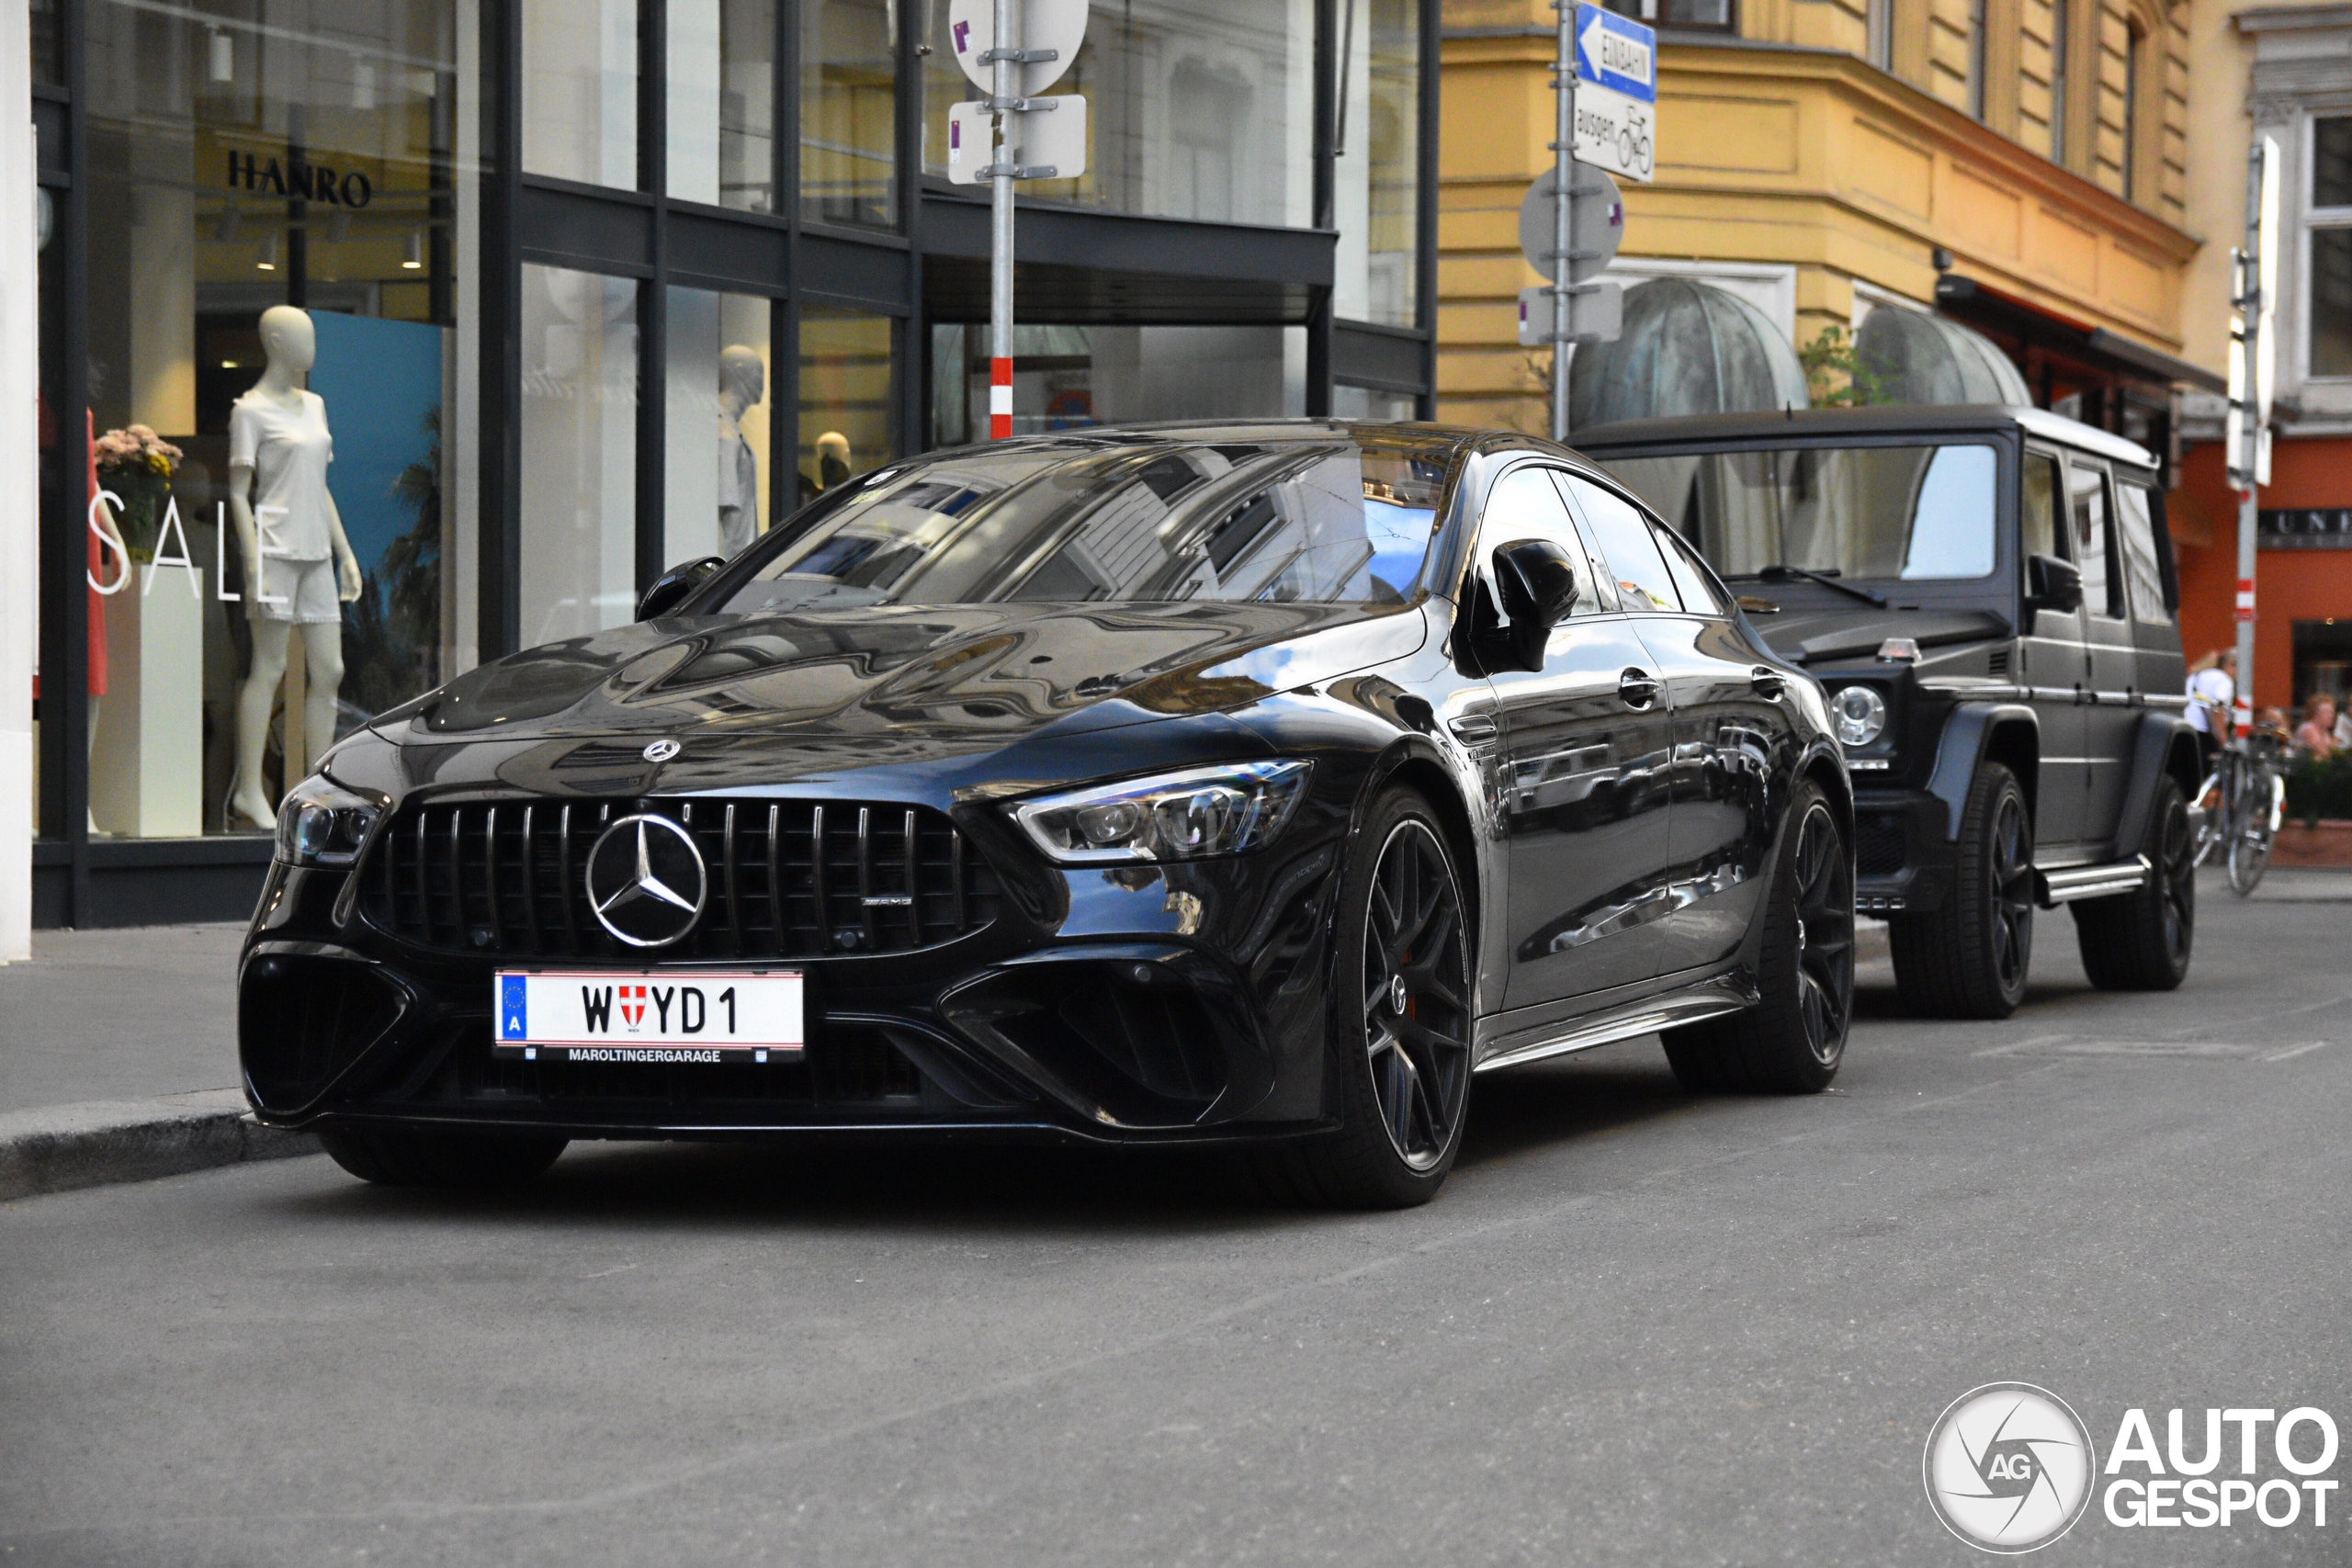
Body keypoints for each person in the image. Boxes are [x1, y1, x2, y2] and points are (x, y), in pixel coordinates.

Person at [2186, 649, 2236, 772]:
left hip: (2184, 729)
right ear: (2229, 665)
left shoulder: (2197, 675)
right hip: (2202, 735)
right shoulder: (2224, 680)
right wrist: (2224, 742)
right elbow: (2217, 708)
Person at [2296, 697, 2339, 761]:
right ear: (2316, 713)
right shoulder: (2308, 729)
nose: (2331, 716)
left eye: (2332, 713)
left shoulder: (2325, 732)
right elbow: (2324, 753)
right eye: (2327, 712)